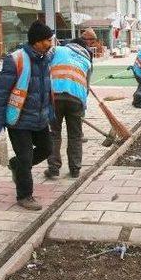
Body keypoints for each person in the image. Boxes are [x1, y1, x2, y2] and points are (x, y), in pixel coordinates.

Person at [0, 20, 54, 211]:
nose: (49, 44)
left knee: (46, 149)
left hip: (40, 119)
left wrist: (50, 112)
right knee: (26, 158)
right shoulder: (15, 60)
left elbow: (45, 90)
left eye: (50, 40)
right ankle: (25, 195)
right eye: (46, 40)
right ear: (35, 41)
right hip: (18, 120)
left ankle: (16, 165)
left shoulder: (45, 59)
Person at [44, 39, 93, 179]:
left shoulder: (58, 50)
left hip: (55, 96)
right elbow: (87, 87)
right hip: (76, 98)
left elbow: (45, 66)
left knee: (54, 133)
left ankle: (53, 168)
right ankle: (75, 169)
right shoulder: (87, 61)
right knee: (75, 135)